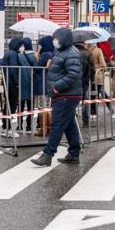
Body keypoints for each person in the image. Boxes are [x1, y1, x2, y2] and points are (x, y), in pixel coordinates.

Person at [31, 28, 82, 166]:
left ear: (64, 39)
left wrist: (56, 87)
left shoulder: (71, 53)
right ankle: (74, 153)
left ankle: (48, 154)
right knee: (69, 124)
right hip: (65, 94)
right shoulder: (63, 51)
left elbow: (73, 74)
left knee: (57, 125)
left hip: (66, 94)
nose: (55, 41)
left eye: (57, 38)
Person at [0, 37, 24, 138]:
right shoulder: (13, 54)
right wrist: (17, 82)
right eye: (21, 45)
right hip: (12, 84)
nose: (22, 47)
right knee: (12, 106)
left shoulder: (8, 53)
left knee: (8, 105)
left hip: (7, 83)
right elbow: (14, 70)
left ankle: (5, 127)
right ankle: (8, 129)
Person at [75, 38, 93, 128]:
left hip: (74, 80)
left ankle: (72, 121)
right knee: (85, 101)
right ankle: (85, 122)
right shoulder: (88, 53)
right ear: (83, 42)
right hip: (85, 80)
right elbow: (92, 67)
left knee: (72, 100)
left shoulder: (72, 52)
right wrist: (92, 78)